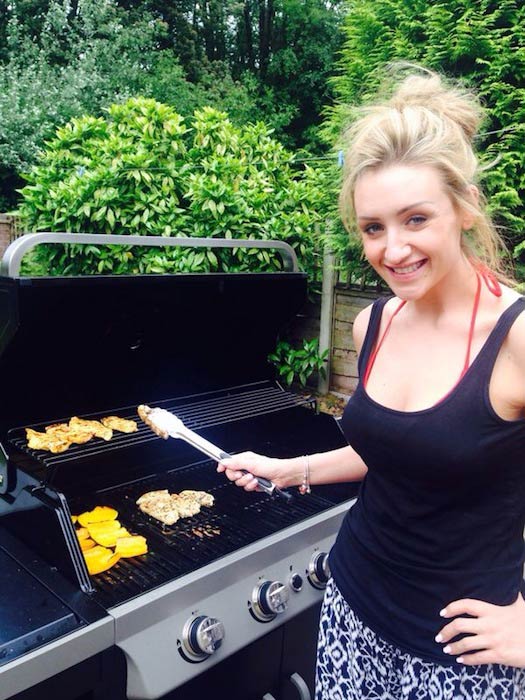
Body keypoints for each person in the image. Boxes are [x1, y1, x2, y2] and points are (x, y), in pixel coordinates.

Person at [217, 66, 525, 699]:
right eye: (373, 227)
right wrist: (292, 468)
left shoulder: (515, 337)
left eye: (416, 219)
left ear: (464, 209)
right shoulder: (375, 322)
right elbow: (392, 447)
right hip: (352, 607)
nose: (393, 249)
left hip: (460, 652)